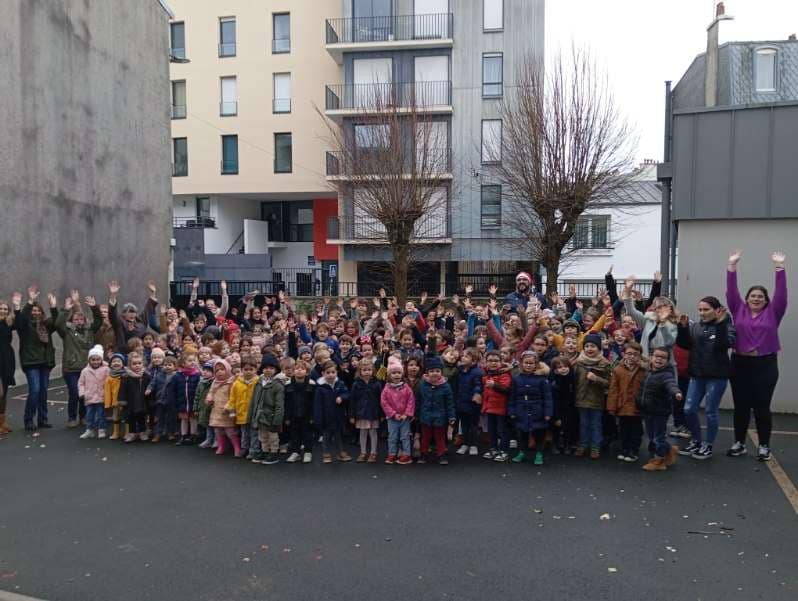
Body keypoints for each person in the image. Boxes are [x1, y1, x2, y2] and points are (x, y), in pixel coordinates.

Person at [726, 250, 788, 461]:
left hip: (765, 365)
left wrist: (779, 267)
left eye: (760, 296)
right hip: (740, 363)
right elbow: (731, 291)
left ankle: (764, 446)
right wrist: (732, 266)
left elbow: (781, 294)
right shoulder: (738, 309)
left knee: (762, 406)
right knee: (741, 406)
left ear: (766, 300)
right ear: (747, 298)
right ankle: (739, 443)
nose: (756, 298)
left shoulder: (774, 311)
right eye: (753, 296)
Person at [676, 296, 736, 460]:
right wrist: (682, 328)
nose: (702, 313)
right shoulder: (696, 326)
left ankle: (708, 445)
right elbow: (685, 345)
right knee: (689, 409)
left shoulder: (727, 325)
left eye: (706, 309)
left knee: (710, 411)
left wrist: (722, 324)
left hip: (716, 377)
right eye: (700, 309)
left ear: (717, 310)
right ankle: (696, 440)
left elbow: (723, 345)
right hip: (697, 375)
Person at [13, 287, 57, 431]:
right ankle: (28, 419)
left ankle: (42, 419)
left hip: (45, 362)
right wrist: (30, 302)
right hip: (31, 362)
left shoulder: (46, 325)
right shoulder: (24, 326)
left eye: (38, 310)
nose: (36, 312)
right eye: (34, 310)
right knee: (35, 390)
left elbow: (56, 320)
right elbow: (20, 318)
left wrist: (53, 307)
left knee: (43, 391)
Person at [637, 347, 683, 471]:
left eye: (663, 357)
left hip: (660, 412)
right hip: (648, 410)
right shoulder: (648, 371)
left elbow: (671, 384)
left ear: (667, 361)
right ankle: (669, 449)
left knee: (658, 437)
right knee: (652, 436)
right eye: (657, 356)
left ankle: (659, 461)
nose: (659, 359)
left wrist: (676, 392)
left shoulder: (666, 375)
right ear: (651, 358)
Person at [509, 351, 553, 465]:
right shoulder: (517, 379)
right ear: (522, 364)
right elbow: (512, 396)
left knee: (539, 434)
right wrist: (512, 410)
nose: (528, 365)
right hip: (521, 410)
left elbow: (547, 397)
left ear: (536, 364)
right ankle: (522, 452)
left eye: (531, 363)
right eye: (526, 363)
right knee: (522, 434)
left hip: (537, 410)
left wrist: (548, 412)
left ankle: (539, 454)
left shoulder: (542, 379)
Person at [606, 341, 646, 462]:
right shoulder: (618, 369)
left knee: (636, 429)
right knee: (624, 429)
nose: (632, 356)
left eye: (635, 354)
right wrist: (611, 406)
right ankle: (625, 449)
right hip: (623, 404)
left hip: (637, 404)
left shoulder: (643, 370)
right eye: (629, 354)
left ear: (640, 356)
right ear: (623, 354)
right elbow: (613, 389)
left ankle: (633, 450)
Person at [574, 333, 611, 459]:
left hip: (596, 400)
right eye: (587, 346)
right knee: (583, 423)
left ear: (599, 348)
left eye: (593, 346)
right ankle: (583, 444)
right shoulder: (578, 362)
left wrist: (596, 379)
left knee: (596, 424)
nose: (590, 349)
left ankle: (595, 446)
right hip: (581, 398)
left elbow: (609, 383)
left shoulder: (604, 363)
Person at [416, 356, 455, 465]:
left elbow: (450, 403)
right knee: (425, 437)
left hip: (440, 416)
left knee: (440, 437)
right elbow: (418, 400)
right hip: (425, 415)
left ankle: (441, 454)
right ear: (427, 372)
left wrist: (452, 417)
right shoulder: (422, 384)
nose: (434, 373)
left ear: (441, 372)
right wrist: (416, 414)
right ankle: (423, 454)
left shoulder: (446, 386)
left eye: (437, 371)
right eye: (432, 371)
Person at [249, 354, 285, 465]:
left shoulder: (277, 385)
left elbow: (280, 405)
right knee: (262, 436)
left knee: (273, 436)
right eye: (265, 368)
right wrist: (252, 415)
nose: (268, 370)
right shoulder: (259, 383)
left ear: (276, 369)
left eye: (271, 368)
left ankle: (273, 453)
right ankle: (265, 451)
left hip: (271, 416)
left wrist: (277, 420)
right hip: (260, 416)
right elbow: (254, 400)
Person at [313, 360, 351, 464]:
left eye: (333, 372)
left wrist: (342, 397)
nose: (331, 375)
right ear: (323, 373)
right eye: (328, 373)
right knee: (326, 437)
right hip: (326, 417)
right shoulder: (320, 388)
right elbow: (317, 405)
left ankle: (340, 452)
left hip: (338, 416)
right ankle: (326, 454)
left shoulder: (340, 383)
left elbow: (347, 393)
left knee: (338, 435)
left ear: (336, 372)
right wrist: (318, 419)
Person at [380, 359, 415, 465]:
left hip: (404, 417)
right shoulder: (386, 389)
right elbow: (384, 403)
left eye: (399, 373)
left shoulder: (406, 388)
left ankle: (406, 454)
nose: (396, 375)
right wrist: (393, 414)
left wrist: (407, 414)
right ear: (389, 375)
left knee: (405, 436)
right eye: (394, 373)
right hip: (392, 418)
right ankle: (392, 454)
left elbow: (411, 401)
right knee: (392, 436)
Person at [481, 350, 512, 462]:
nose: (493, 363)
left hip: (501, 408)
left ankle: (504, 450)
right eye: (490, 361)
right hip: (489, 407)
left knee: (502, 430)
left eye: (496, 361)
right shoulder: (485, 374)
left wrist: (495, 385)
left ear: (501, 362)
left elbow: (506, 389)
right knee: (491, 430)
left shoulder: (504, 374)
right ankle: (493, 448)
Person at [349, 360, 383, 463]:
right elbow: (352, 400)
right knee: (362, 432)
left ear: (373, 370)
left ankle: (373, 453)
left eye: (369, 370)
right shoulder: (356, 384)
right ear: (360, 371)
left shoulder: (377, 384)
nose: (367, 372)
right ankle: (363, 452)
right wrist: (352, 415)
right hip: (361, 413)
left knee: (373, 432)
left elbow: (381, 400)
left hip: (373, 413)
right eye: (364, 370)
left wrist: (381, 414)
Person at [283, 360, 315, 463]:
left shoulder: (311, 384)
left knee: (307, 434)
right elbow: (286, 402)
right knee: (294, 434)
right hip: (293, 414)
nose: (299, 371)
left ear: (306, 372)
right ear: (293, 371)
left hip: (307, 415)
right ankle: (295, 452)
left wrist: (313, 417)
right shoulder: (288, 385)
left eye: (302, 369)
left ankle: (308, 452)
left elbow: (314, 402)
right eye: (297, 369)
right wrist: (287, 417)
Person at [454, 348, 483, 456]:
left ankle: (473, 444)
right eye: (463, 356)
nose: (463, 358)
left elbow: (478, 385)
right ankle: (465, 443)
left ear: (474, 361)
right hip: (461, 402)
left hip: (473, 403)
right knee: (464, 425)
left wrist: (477, 393)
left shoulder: (477, 372)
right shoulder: (460, 370)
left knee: (473, 425)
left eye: (466, 356)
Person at [207, 359, 239, 456]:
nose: (219, 372)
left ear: (228, 369)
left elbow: (234, 396)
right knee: (218, 430)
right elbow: (211, 392)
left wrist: (229, 406)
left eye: (222, 369)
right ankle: (221, 446)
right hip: (217, 409)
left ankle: (236, 447)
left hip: (228, 410)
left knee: (230, 431)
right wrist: (209, 398)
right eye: (217, 370)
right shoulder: (215, 382)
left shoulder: (232, 381)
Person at [118, 352, 152, 443]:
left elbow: (150, 387)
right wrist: (122, 400)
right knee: (131, 418)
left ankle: (142, 432)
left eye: (139, 363)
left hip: (142, 401)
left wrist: (150, 399)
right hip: (131, 401)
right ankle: (132, 433)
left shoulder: (146, 375)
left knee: (141, 417)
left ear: (143, 364)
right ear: (129, 365)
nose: (137, 366)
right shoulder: (126, 377)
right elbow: (122, 390)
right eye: (134, 364)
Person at [78, 345, 109, 439]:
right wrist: (82, 393)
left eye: (98, 359)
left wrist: (107, 393)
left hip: (101, 396)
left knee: (101, 414)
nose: (95, 362)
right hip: (89, 397)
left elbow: (109, 381)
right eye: (93, 359)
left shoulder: (106, 369)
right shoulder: (85, 371)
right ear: (89, 360)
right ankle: (89, 430)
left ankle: (101, 429)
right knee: (89, 415)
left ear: (101, 360)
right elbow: (81, 383)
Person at [0, 298, 15, 434]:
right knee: (0, 393)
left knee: (4, 393)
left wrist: (17, 305)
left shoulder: (8, 323)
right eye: (1, 308)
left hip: (6, 360)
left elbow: (21, 320)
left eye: (5, 309)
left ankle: (2, 422)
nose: (3, 311)